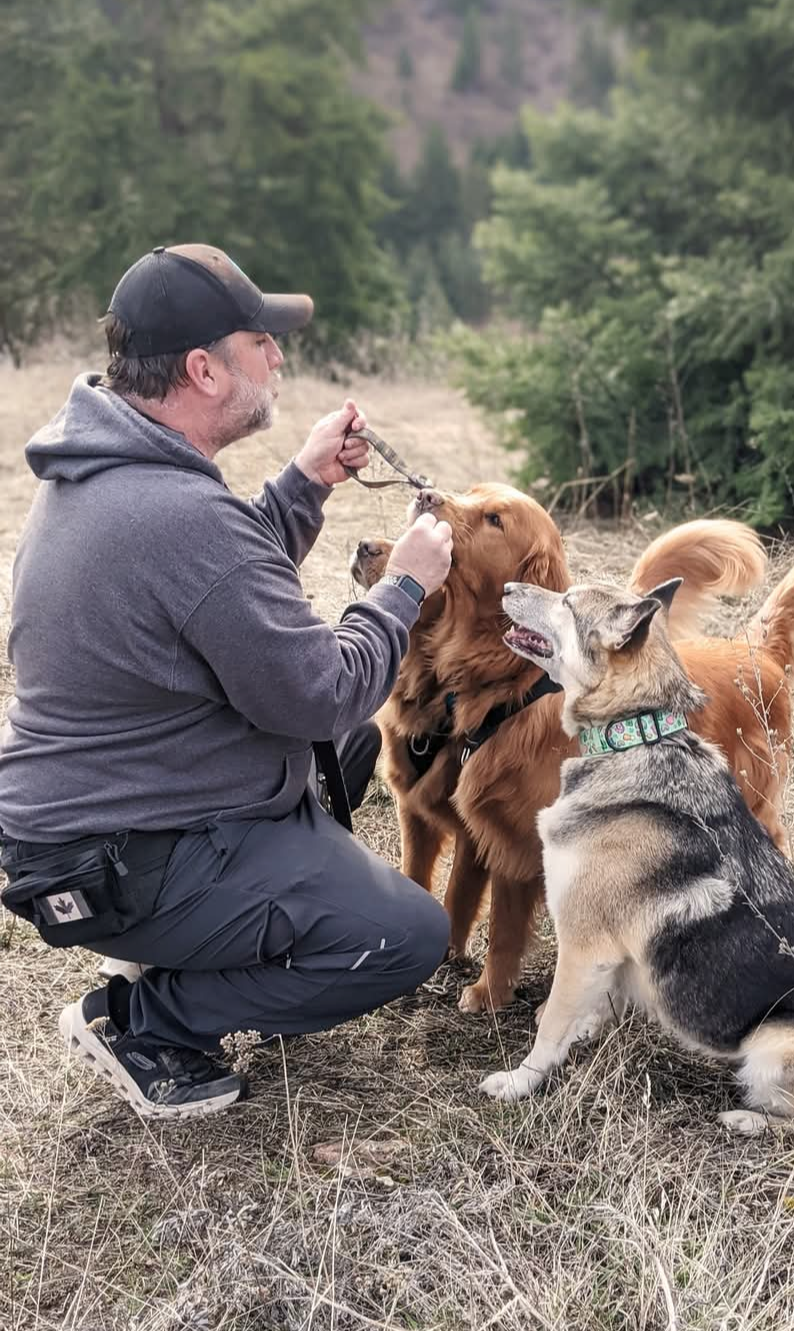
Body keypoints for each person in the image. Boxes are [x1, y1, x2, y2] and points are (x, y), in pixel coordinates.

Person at [0, 243, 454, 1120]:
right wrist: (405, 589)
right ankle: (147, 1020)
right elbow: (319, 689)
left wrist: (304, 484)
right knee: (407, 936)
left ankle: (206, 937)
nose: (279, 358)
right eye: (261, 342)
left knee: (352, 744)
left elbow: (216, 590)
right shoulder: (176, 513)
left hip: (100, 823)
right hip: (112, 857)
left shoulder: (112, 475)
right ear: (204, 369)